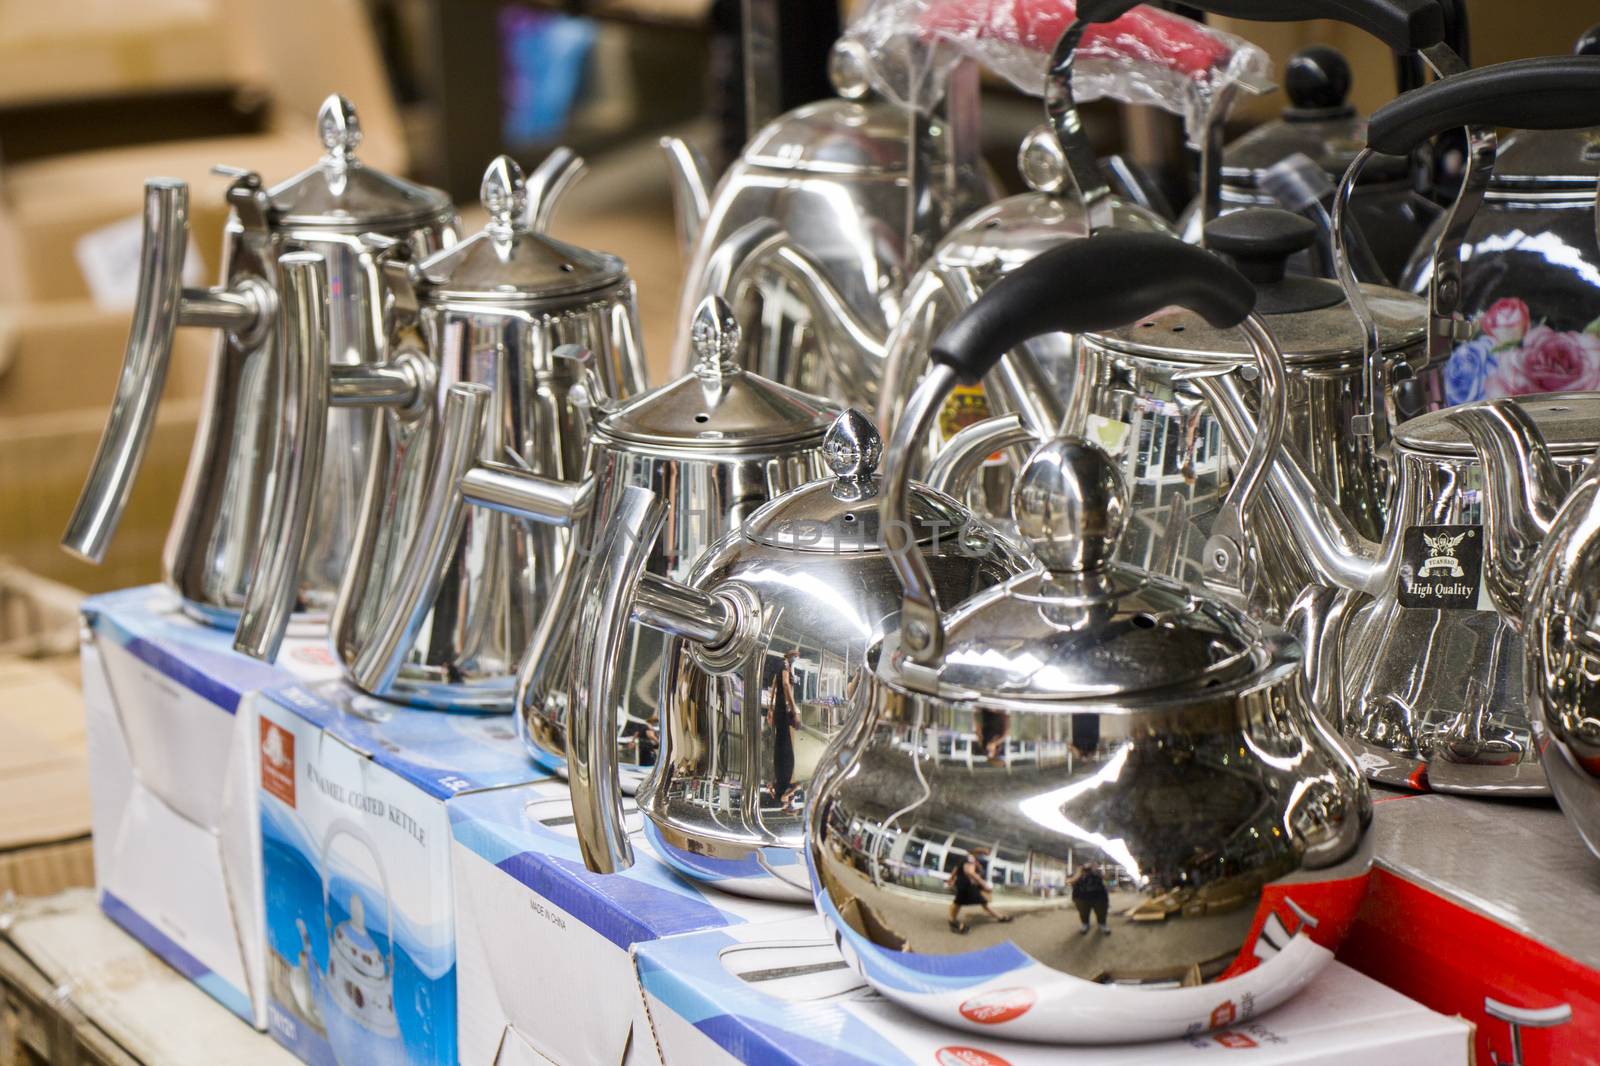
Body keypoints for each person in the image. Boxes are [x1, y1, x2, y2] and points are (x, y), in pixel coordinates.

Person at [946, 849, 1014, 934]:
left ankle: (1000, 917)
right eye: (984, 854)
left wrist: (950, 879)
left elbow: (955, 869)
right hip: (966, 885)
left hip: (966, 884)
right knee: (958, 903)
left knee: (982, 902)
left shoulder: (967, 859)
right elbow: (970, 872)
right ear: (979, 853)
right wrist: (984, 884)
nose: (984, 857)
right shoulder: (970, 858)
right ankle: (953, 922)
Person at [765, 652, 801, 806]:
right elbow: (785, 685)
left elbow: (774, 686)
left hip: (779, 706)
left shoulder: (781, 665)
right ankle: (784, 765)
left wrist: (770, 707)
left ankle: (780, 764)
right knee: (785, 740)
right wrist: (794, 709)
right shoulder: (785, 665)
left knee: (781, 738)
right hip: (783, 706)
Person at [1071, 864, 1112, 935]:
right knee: (1083, 912)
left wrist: (1099, 871)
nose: (1087, 870)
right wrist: (1079, 873)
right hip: (1082, 897)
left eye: (1089, 868)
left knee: (1101, 912)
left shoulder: (1097, 873)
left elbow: (1107, 879)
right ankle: (1085, 924)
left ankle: (1102, 924)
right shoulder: (1077, 874)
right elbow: (1070, 881)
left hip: (1099, 897)